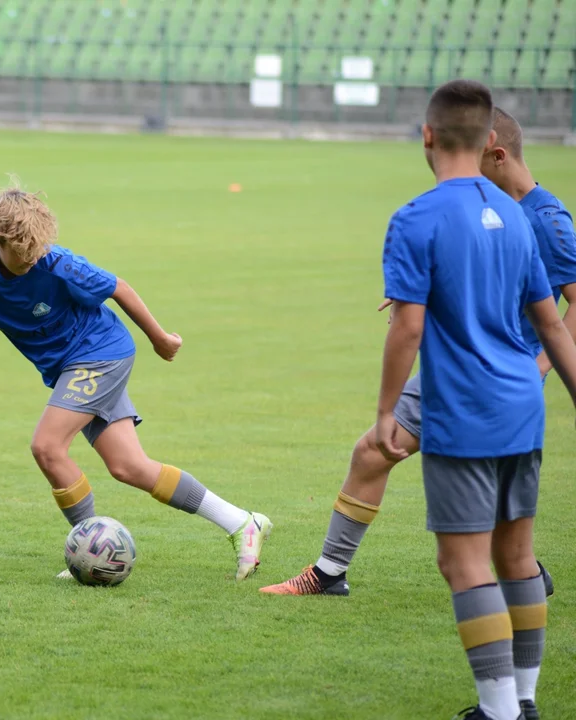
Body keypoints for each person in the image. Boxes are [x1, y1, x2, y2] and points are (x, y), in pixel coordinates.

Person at [0, 180, 272, 581]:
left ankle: (93, 548)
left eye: (38, 253)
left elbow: (118, 288)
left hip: (100, 354)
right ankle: (242, 522)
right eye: (23, 256)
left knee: (47, 447)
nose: (34, 261)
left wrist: (160, 338)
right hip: (74, 365)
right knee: (128, 467)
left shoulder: (58, 262)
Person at [261, 104, 576, 600]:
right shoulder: (495, 212)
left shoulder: (545, 220)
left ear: (494, 153)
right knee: (426, 477)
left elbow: (568, 308)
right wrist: (419, 291)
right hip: (471, 369)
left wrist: (540, 366)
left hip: (475, 373)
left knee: (401, 477)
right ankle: (524, 578)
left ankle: (331, 573)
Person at [340, 80, 576, 720]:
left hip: (463, 411)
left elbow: (408, 327)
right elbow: (553, 324)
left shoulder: (417, 217)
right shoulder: (521, 218)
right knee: (517, 556)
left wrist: (387, 410)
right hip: (522, 406)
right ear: (489, 141)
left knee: (464, 564)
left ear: (427, 135)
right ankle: (523, 704)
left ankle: (499, 714)